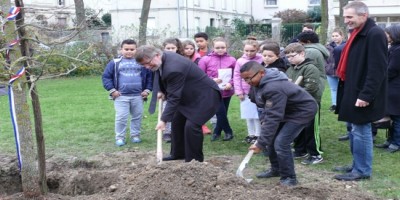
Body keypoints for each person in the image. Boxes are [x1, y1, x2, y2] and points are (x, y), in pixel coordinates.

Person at [135, 45, 221, 162]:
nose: (146, 67)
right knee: (176, 121)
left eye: (148, 63)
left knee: (191, 126)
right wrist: (162, 90)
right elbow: (159, 73)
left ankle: (194, 161)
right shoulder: (161, 59)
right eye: (143, 65)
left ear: (157, 55)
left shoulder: (174, 68)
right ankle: (179, 153)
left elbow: (174, 98)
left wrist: (163, 120)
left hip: (205, 96)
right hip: (188, 95)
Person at [333, 1, 388, 181]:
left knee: (361, 130)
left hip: (362, 92)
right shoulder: (357, 32)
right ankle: (357, 165)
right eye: (345, 17)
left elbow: (377, 68)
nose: (346, 21)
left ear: (363, 15)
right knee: (353, 129)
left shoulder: (374, 34)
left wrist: (366, 95)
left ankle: (362, 170)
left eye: (350, 17)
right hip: (351, 88)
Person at [241, 61, 317, 186]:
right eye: (244, 79)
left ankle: (289, 177)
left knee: (281, 143)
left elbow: (273, 117)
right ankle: (276, 169)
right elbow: (261, 103)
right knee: (270, 140)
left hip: (301, 111)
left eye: (249, 78)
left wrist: (260, 143)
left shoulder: (273, 87)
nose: (248, 82)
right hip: (285, 109)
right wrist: (264, 122)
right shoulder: (258, 83)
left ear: (261, 73)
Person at [102, 39, 153, 146]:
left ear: (136, 50)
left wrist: (147, 90)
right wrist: (112, 91)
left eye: (132, 49)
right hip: (121, 97)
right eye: (126, 49)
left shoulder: (142, 63)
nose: (129, 51)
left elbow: (149, 77)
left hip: (138, 96)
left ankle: (135, 135)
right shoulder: (114, 63)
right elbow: (106, 77)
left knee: (137, 116)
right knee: (121, 117)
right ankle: (120, 137)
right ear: (121, 50)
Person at [284, 43, 324, 165]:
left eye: (292, 56)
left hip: (310, 104)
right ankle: (300, 150)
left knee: (311, 130)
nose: (290, 59)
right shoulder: (291, 68)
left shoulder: (310, 68)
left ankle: (315, 154)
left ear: (302, 54)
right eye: (288, 57)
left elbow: (311, 88)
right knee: (299, 128)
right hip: (297, 105)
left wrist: (293, 93)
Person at [198, 37, 236, 141]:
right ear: (213, 47)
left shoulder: (232, 60)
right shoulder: (205, 59)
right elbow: (200, 75)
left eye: (222, 47)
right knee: (220, 111)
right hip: (213, 91)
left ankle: (217, 132)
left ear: (226, 47)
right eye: (217, 47)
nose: (220, 49)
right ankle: (228, 131)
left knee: (223, 112)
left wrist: (230, 83)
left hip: (227, 90)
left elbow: (236, 75)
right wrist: (212, 79)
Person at [374, 24, 400, 153]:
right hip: (391, 87)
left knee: (397, 117)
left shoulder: (398, 50)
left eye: (388, 34)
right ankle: (390, 140)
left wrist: (381, 79)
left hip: (396, 88)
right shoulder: (393, 48)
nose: (386, 36)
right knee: (391, 116)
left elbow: (392, 69)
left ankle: (396, 143)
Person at [233, 40, 263, 144]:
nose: (249, 53)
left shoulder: (261, 59)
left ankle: (258, 134)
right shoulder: (240, 61)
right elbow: (236, 76)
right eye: (246, 50)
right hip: (245, 92)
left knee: (256, 114)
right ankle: (251, 134)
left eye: (252, 51)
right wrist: (239, 91)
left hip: (257, 90)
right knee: (248, 114)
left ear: (257, 50)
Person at [161, 38, 184, 142]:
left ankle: (178, 132)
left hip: (180, 91)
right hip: (167, 92)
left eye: (172, 48)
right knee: (167, 111)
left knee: (180, 112)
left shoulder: (181, 59)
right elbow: (158, 77)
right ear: (163, 49)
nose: (170, 50)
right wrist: (159, 91)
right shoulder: (161, 60)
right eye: (168, 48)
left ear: (177, 48)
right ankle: (167, 132)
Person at [325, 28, 346, 112]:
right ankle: (335, 105)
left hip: (341, 71)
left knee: (343, 88)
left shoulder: (346, 46)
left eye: (337, 36)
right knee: (333, 89)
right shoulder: (328, 47)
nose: (335, 38)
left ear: (342, 36)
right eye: (333, 36)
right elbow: (325, 59)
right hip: (330, 71)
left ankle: (343, 104)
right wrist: (326, 67)